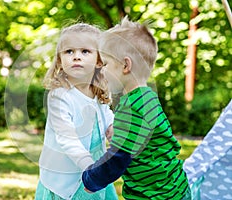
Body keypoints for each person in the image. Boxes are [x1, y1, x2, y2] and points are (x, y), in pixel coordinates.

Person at [82, 16, 191, 200]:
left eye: (106, 64)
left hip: (153, 194)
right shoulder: (146, 98)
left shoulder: (132, 106)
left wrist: (91, 179)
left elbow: (118, 158)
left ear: (125, 65)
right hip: (173, 187)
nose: (101, 71)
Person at [35, 22, 118, 200]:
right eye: (69, 51)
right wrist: (90, 166)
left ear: (99, 60)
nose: (76, 57)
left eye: (85, 51)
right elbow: (67, 138)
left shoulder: (98, 91)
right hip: (66, 175)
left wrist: (112, 129)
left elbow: (106, 115)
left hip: (94, 167)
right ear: (60, 60)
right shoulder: (60, 96)